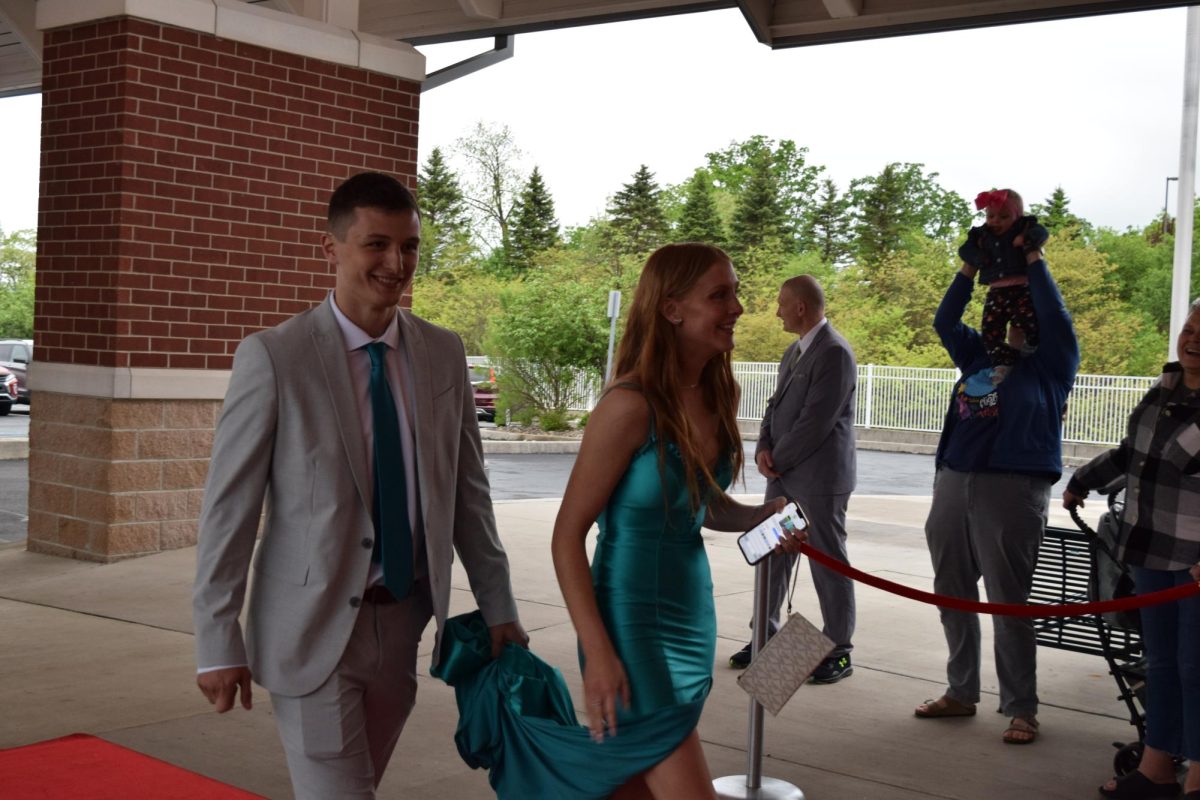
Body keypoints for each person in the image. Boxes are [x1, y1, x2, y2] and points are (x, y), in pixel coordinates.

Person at [192, 172, 527, 800]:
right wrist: (216, 639)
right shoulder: (274, 357)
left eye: (410, 247)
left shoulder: (443, 353)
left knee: (355, 786)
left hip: (404, 623)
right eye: (376, 244)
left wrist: (499, 604)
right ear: (332, 249)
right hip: (309, 629)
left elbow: (468, 498)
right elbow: (228, 513)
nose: (396, 264)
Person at [551, 243, 803, 799]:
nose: (737, 307)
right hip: (627, 619)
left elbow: (703, 505)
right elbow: (566, 536)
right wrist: (597, 652)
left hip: (691, 613)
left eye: (734, 292)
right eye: (720, 295)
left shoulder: (714, 391)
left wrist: (761, 516)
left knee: (633, 789)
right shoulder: (629, 404)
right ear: (671, 309)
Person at [913, 243, 1078, 745]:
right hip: (954, 481)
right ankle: (961, 691)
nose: (1006, 313)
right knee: (952, 592)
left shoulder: (1051, 362)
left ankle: (1022, 707)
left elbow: (1054, 312)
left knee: (1008, 602)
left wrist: (1034, 259)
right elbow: (945, 319)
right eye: (998, 305)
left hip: (1013, 487)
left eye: (1016, 304)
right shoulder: (977, 355)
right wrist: (968, 266)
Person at [1064, 298, 1200, 800]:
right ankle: (1158, 770)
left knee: (1196, 667)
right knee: (1161, 664)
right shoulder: (1165, 388)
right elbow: (1131, 455)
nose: (1193, 340)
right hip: (1148, 551)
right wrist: (1083, 479)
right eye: (1190, 328)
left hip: (1195, 560)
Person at [728, 275, 858, 685]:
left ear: (801, 307)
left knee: (827, 561)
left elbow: (815, 422)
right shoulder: (794, 350)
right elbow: (775, 405)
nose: (777, 310)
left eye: (782, 303)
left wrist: (776, 460)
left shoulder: (835, 352)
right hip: (783, 476)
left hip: (818, 479)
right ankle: (764, 637)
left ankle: (838, 648)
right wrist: (763, 446)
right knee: (772, 555)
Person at [958, 189, 1049, 384]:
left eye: (1004, 216)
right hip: (996, 290)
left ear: (1017, 217)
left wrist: (1027, 240)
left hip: (1022, 288)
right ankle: (1003, 361)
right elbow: (965, 249)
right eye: (991, 216)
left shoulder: (1025, 227)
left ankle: (1031, 346)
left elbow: (1042, 233)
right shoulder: (981, 234)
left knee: (1028, 321)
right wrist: (978, 257)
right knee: (990, 330)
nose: (995, 221)